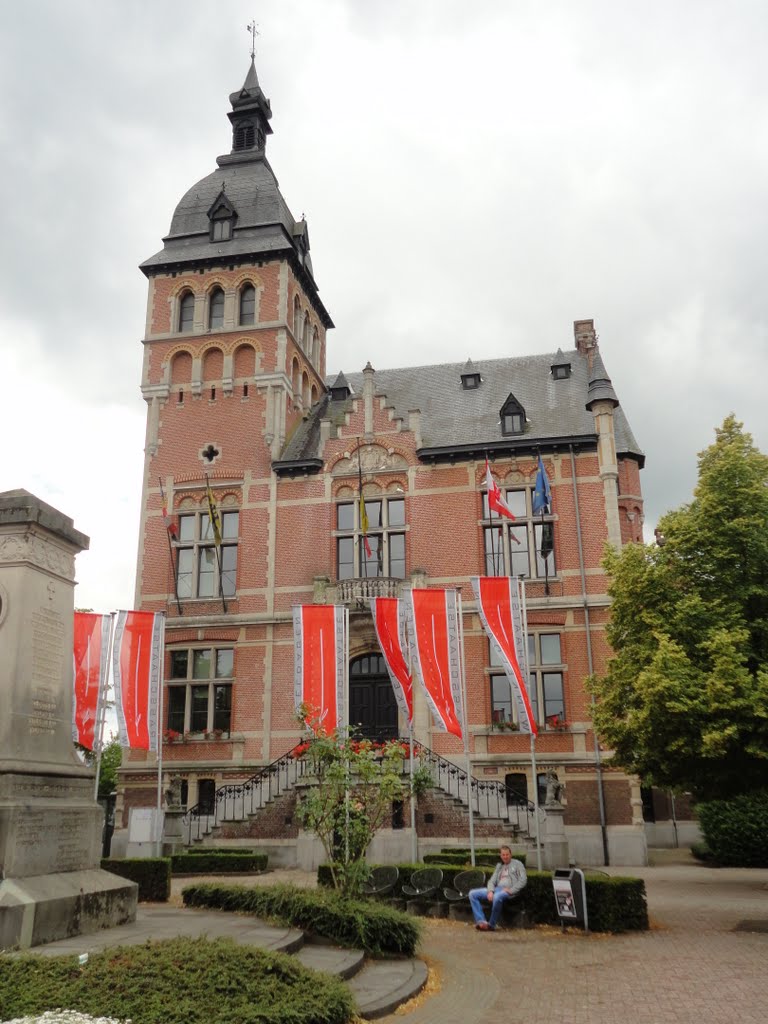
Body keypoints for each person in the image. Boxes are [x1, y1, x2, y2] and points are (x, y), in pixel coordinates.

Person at [469, 845, 527, 931]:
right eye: (503, 855)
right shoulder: (499, 867)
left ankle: (491, 925)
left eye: (507, 854)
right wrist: (490, 891)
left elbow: (523, 880)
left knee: (497, 897)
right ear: (501, 856)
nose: (505, 857)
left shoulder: (518, 864)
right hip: (497, 889)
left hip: (508, 891)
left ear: (511, 855)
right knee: (472, 894)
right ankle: (481, 921)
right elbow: (491, 881)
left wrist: (511, 890)